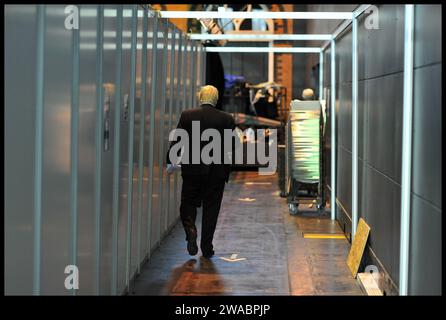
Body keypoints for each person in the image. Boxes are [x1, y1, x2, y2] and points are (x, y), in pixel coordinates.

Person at [166, 85, 235, 259]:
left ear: (200, 98)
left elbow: (177, 140)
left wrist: (170, 159)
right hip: (216, 172)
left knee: (188, 203)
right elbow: (231, 146)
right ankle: (207, 247)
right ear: (216, 99)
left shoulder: (187, 116)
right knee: (211, 209)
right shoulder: (226, 119)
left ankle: (190, 231)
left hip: (193, 170)